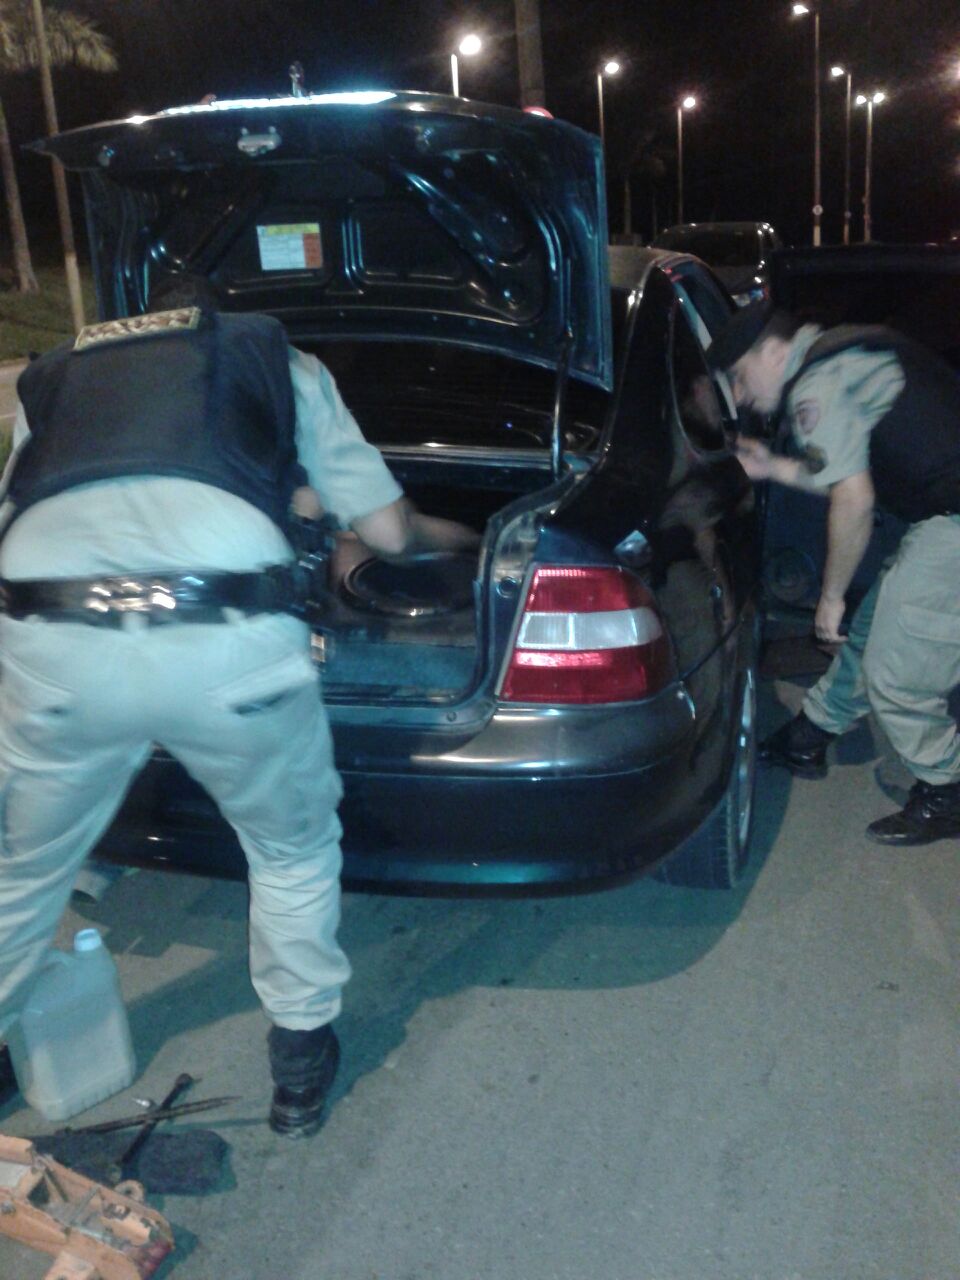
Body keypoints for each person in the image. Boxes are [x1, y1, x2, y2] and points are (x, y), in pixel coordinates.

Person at [0, 278, 478, 1137]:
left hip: (53, 638)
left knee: (24, 869)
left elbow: (20, 511)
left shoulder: (60, 377)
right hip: (221, 639)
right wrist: (464, 541)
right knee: (289, 849)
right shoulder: (278, 362)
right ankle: (298, 1069)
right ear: (220, 317)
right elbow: (388, 535)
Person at [707, 300, 960, 846]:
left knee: (899, 674)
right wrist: (773, 466)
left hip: (953, 524)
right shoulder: (841, 352)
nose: (742, 396)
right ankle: (811, 733)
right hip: (943, 518)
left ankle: (947, 791)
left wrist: (830, 596)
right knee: (874, 633)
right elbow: (844, 470)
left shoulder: (815, 386)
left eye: (741, 377)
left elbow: (854, 498)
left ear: (775, 354)